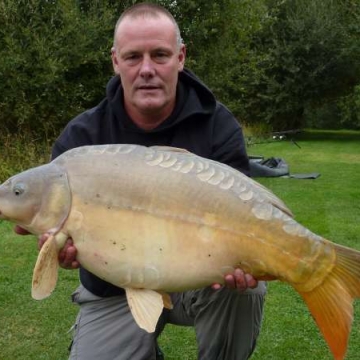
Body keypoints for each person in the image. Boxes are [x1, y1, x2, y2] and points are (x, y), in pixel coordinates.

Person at [16, 3, 266, 359]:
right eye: (133, 57)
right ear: (116, 61)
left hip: (197, 281)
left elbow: (246, 216)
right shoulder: (81, 138)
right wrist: (62, 252)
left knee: (246, 291)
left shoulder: (218, 127)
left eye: (160, 55)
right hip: (112, 290)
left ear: (180, 57)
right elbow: (57, 236)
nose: (146, 69)